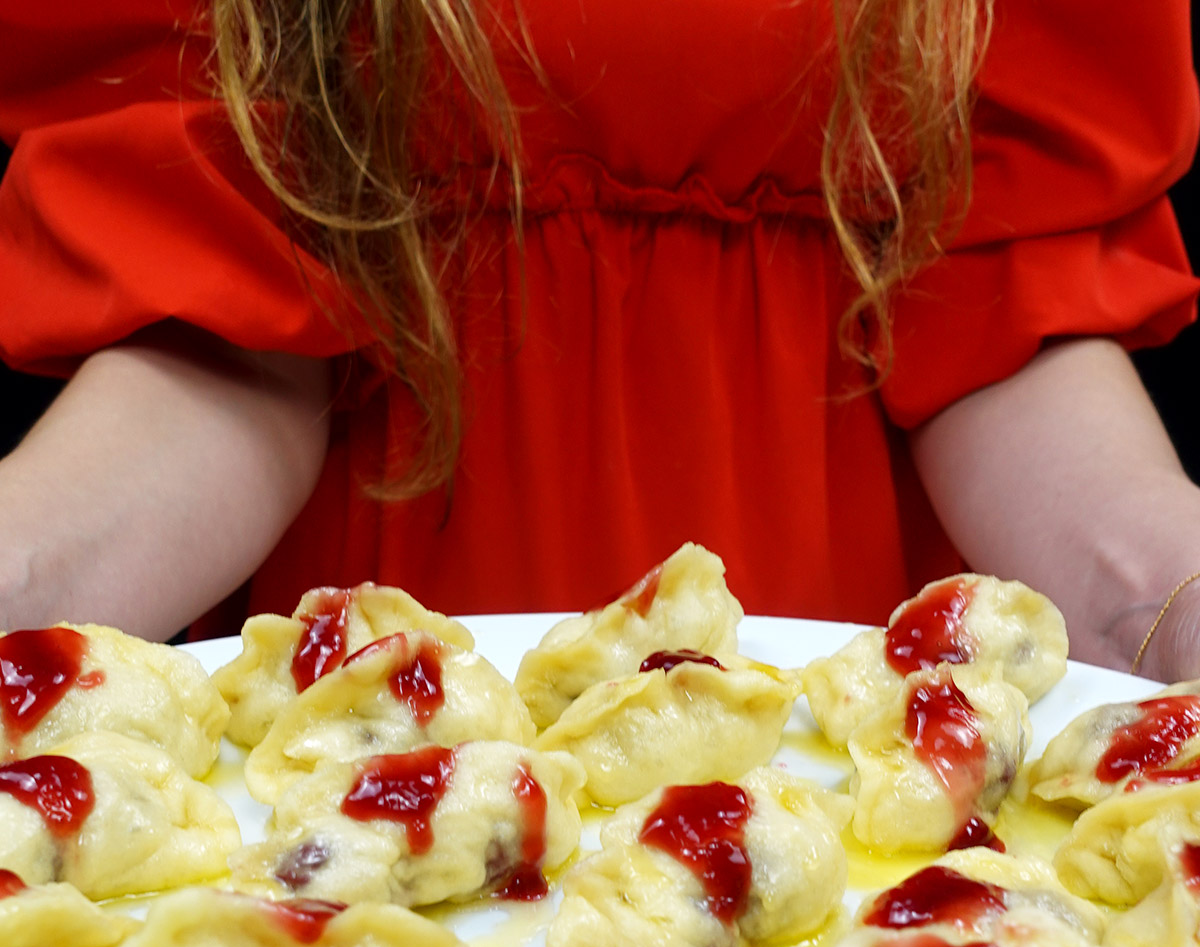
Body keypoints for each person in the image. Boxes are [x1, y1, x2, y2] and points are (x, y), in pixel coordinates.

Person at [0, 0, 1198, 679]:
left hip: (868, 771)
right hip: (361, 749)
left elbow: (1004, 321)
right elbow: (222, 331)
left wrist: (1171, 602)